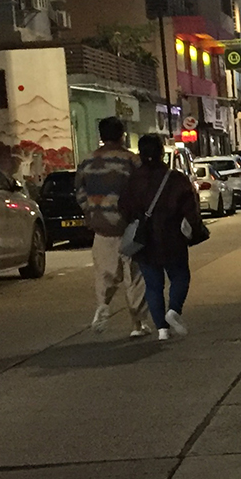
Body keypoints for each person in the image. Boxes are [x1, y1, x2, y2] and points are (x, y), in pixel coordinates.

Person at [119, 134, 202, 343]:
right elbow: (190, 208)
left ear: (140, 154)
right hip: (172, 238)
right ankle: (174, 310)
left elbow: (124, 209)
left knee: (153, 285)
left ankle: (162, 330)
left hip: (144, 241)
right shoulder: (175, 179)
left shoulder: (132, 181)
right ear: (161, 153)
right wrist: (194, 229)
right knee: (180, 276)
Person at [74, 116, 151, 338]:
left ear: (101, 135)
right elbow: (143, 191)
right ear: (121, 135)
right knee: (135, 275)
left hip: (101, 226)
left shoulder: (87, 161)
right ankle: (138, 323)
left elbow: (79, 191)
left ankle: (103, 304)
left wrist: (91, 212)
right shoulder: (131, 160)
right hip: (129, 226)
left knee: (104, 272)